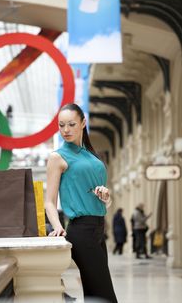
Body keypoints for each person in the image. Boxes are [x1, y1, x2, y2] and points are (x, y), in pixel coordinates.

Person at [45, 103, 118, 303]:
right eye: (61, 125)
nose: (65, 130)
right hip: (81, 231)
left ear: (83, 123)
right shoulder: (57, 157)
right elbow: (49, 202)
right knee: (106, 295)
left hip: (98, 229)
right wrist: (58, 227)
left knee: (94, 293)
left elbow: (103, 200)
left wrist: (106, 197)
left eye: (71, 124)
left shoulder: (91, 155)